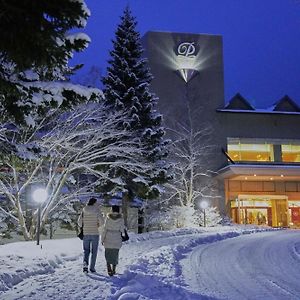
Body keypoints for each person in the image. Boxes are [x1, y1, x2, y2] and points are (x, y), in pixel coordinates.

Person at [78, 197, 103, 273]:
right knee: (94, 251)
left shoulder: (84, 210)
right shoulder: (97, 210)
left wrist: (84, 225)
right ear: (94, 203)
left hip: (86, 233)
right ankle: (92, 268)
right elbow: (102, 221)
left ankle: (85, 266)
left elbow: (79, 222)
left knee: (86, 251)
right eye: (96, 202)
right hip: (95, 233)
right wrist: (98, 224)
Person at [101, 205, 125, 276]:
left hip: (108, 238)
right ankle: (114, 269)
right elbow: (122, 230)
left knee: (107, 254)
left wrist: (102, 239)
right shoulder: (121, 219)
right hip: (116, 238)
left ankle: (109, 268)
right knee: (115, 254)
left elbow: (104, 230)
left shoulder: (108, 218)